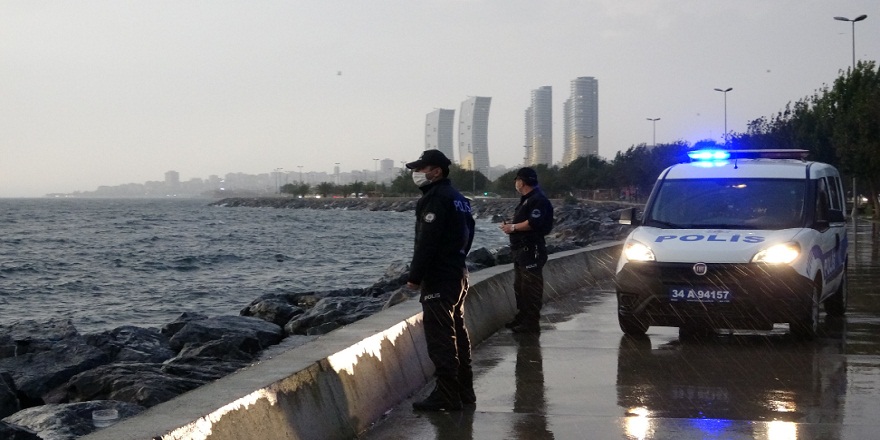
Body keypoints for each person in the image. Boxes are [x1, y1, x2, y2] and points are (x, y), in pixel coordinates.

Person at [405, 149, 476, 411]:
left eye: (421, 169)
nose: (417, 174)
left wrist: (415, 277)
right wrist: (457, 260)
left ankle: (446, 395)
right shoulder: (459, 198)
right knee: (459, 333)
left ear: (436, 171)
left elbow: (427, 242)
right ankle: (465, 392)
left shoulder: (435, 198)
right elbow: (469, 234)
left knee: (441, 338)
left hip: (439, 279)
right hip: (457, 273)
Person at [500, 167, 554, 334]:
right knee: (520, 286)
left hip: (531, 249)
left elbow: (533, 223)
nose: (516, 184)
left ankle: (531, 323)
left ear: (521, 182)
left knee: (531, 288)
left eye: (517, 181)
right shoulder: (527, 199)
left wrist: (513, 227)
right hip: (520, 251)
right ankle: (522, 317)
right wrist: (511, 225)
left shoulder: (538, 199)